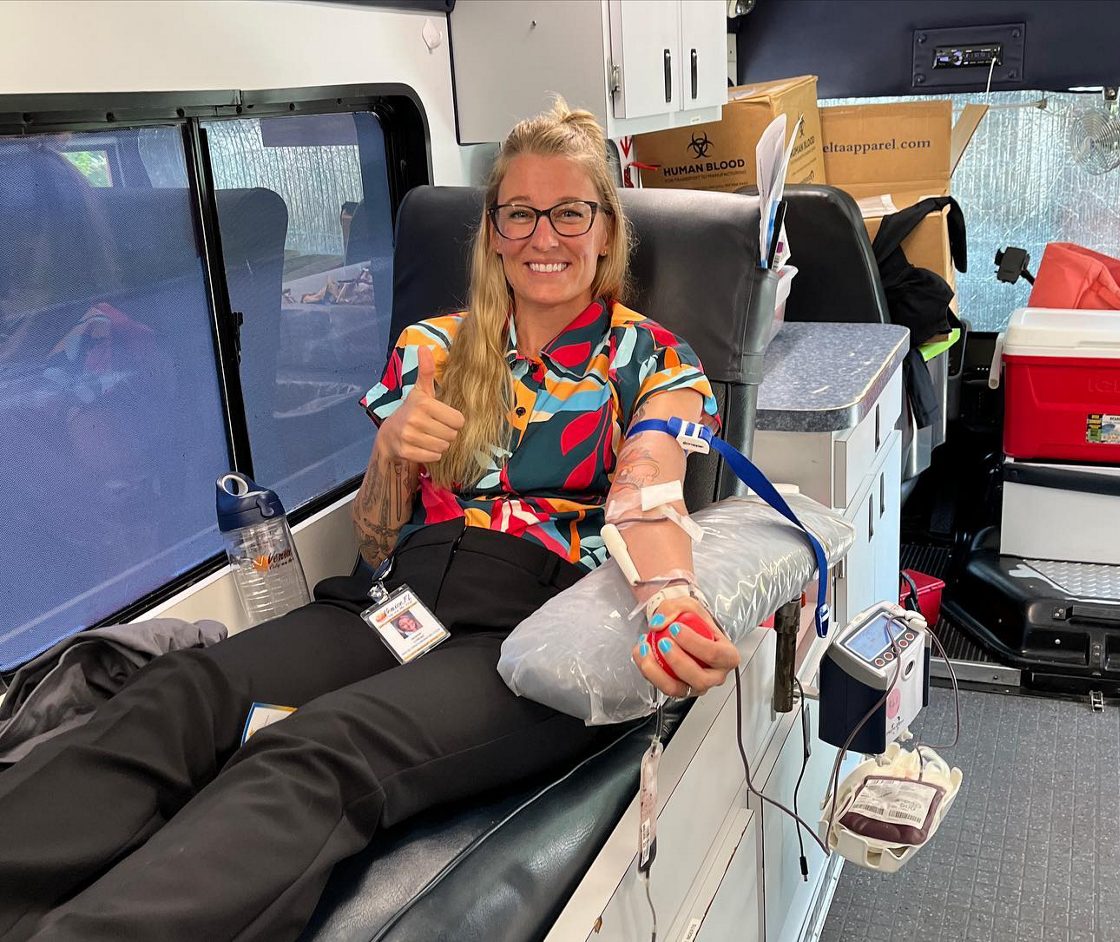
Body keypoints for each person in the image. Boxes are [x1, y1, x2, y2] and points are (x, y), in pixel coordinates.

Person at [0, 99, 740, 942]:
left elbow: (648, 486)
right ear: (492, 231)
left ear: (606, 229)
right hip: (404, 597)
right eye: (520, 213)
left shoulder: (650, 355)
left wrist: (671, 597)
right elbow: (377, 542)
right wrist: (391, 456)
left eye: (570, 211)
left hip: (533, 622)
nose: (545, 235)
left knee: (318, 752)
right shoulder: (430, 348)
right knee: (187, 693)